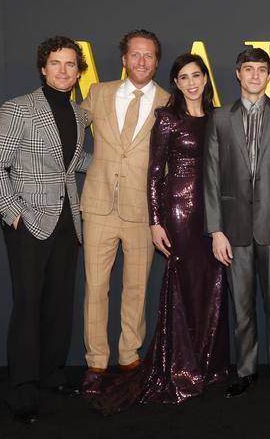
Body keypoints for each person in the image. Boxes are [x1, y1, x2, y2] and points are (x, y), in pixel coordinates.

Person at [82, 54, 230, 414]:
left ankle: (205, 363)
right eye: (183, 77)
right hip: (178, 212)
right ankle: (177, 365)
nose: (192, 82)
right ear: (175, 84)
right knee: (181, 285)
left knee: (210, 284)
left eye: (197, 75)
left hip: (212, 215)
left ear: (205, 79)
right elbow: (153, 174)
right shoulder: (168, 117)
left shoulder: (218, 118)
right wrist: (156, 221)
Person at [0, 36, 91, 424]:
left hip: (68, 221)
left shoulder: (80, 114)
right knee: (29, 305)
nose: (63, 70)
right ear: (43, 68)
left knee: (59, 303)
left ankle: (51, 374)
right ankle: (22, 390)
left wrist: (116, 164)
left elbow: (74, 160)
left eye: (70, 64)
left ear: (79, 70)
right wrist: (11, 209)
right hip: (28, 221)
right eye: (56, 63)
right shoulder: (19, 109)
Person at [204, 47, 270, 400]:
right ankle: (244, 371)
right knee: (241, 307)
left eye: (261, 69)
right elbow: (211, 177)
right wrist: (216, 230)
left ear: (268, 74)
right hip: (234, 228)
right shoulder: (219, 118)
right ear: (237, 73)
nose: (255, 75)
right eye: (249, 69)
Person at [80, 30, 169, 374]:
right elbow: (70, 137)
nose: (142, 61)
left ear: (156, 61)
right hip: (99, 205)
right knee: (95, 288)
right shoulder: (98, 93)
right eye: (135, 55)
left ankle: (129, 356)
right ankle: (96, 363)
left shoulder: (167, 102)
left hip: (142, 210)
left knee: (136, 289)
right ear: (124, 59)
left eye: (148, 56)